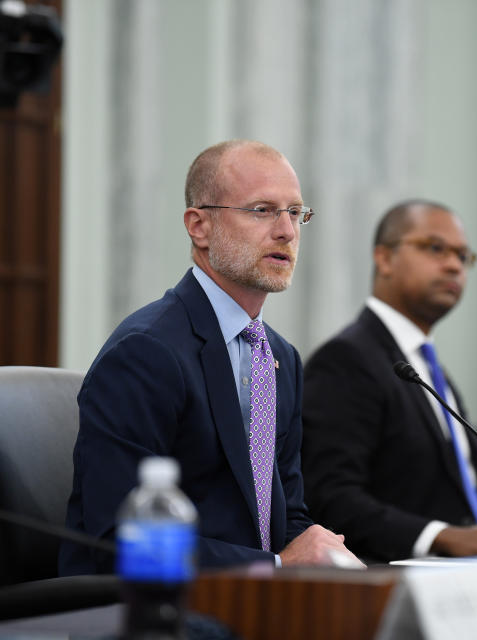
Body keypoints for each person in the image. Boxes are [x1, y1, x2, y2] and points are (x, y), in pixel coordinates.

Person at [59, 140, 362, 574]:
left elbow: (286, 515)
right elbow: (121, 541)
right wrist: (276, 565)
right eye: (262, 210)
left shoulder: (279, 357)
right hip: (147, 612)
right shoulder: (146, 353)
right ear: (199, 226)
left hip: (254, 605)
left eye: (295, 212)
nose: (287, 232)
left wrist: (325, 557)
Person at [301, 200, 477, 562]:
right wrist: (438, 537)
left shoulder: (426, 367)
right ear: (384, 258)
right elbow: (332, 498)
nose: (453, 264)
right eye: (435, 248)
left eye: (463, 256)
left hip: (475, 570)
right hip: (396, 583)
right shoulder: (347, 359)